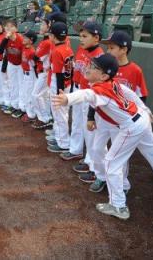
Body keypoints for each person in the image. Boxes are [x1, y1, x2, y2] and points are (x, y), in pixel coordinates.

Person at [51, 54, 153, 220]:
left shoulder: (100, 90)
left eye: (94, 67)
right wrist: (145, 110)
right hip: (140, 119)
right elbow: (131, 94)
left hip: (131, 126)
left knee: (111, 162)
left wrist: (68, 98)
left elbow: (86, 95)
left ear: (104, 75)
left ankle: (118, 206)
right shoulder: (111, 82)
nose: (88, 67)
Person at [87, 30, 149, 194]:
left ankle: (122, 183)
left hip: (121, 121)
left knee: (120, 156)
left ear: (124, 49)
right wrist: (90, 116)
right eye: (108, 47)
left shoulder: (135, 70)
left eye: (112, 47)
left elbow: (140, 97)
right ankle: (101, 176)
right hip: (102, 118)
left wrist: (142, 114)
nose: (108, 50)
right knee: (96, 149)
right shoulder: (103, 69)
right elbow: (94, 95)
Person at [59, 22, 104, 184]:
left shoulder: (99, 55)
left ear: (97, 38)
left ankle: (92, 163)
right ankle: (76, 150)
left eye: (85, 36)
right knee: (77, 123)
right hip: (78, 89)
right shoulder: (81, 49)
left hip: (90, 94)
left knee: (90, 130)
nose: (81, 39)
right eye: (80, 35)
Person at [46, 22, 74, 153]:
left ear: (53, 36)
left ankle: (63, 143)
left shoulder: (57, 51)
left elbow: (59, 75)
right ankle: (60, 138)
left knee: (59, 114)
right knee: (62, 114)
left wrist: (59, 93)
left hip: (59, 85)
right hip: (67, 84)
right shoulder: (68, 48)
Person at [31, 19, 54, 129]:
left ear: (49, 26)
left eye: (43, 24)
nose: (40, 26)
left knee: (36, 95)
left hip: (45, 72)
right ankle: (47, 117)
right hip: (44, 72)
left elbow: (36, 57)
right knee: (44, 96)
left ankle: (44, 118)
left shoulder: (47, 42)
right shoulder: (45, 41)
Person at [0, 19, 24, 116]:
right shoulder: (6, 40)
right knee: (13, 85)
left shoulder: (21, 39)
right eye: (7, 26)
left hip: (21, 66)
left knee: (21, 86)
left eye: (11, 26)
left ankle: (22, 108)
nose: (8, 28)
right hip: (11, 64)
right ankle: (14, 105)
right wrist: (5, 38)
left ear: (16, 29)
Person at [18, 31, 38, 123]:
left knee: (29, 94)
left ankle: (31, 114)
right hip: (25, 74)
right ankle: (28, 111)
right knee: (25, 93)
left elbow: (34, 67)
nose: (23, 39)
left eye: (26, 38)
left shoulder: (32, 52)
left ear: (31, 40)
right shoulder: (24, 48)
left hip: (31, 75)